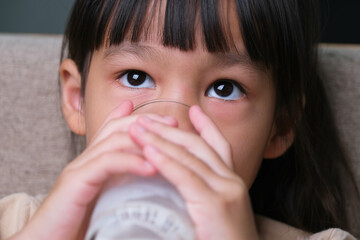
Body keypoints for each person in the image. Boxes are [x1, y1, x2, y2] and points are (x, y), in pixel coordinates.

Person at [1, 0, 358, 239]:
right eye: (136, 77)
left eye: (224, 87)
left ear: (278, 127)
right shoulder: (22, 221)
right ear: (78, 99)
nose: (174, 123)